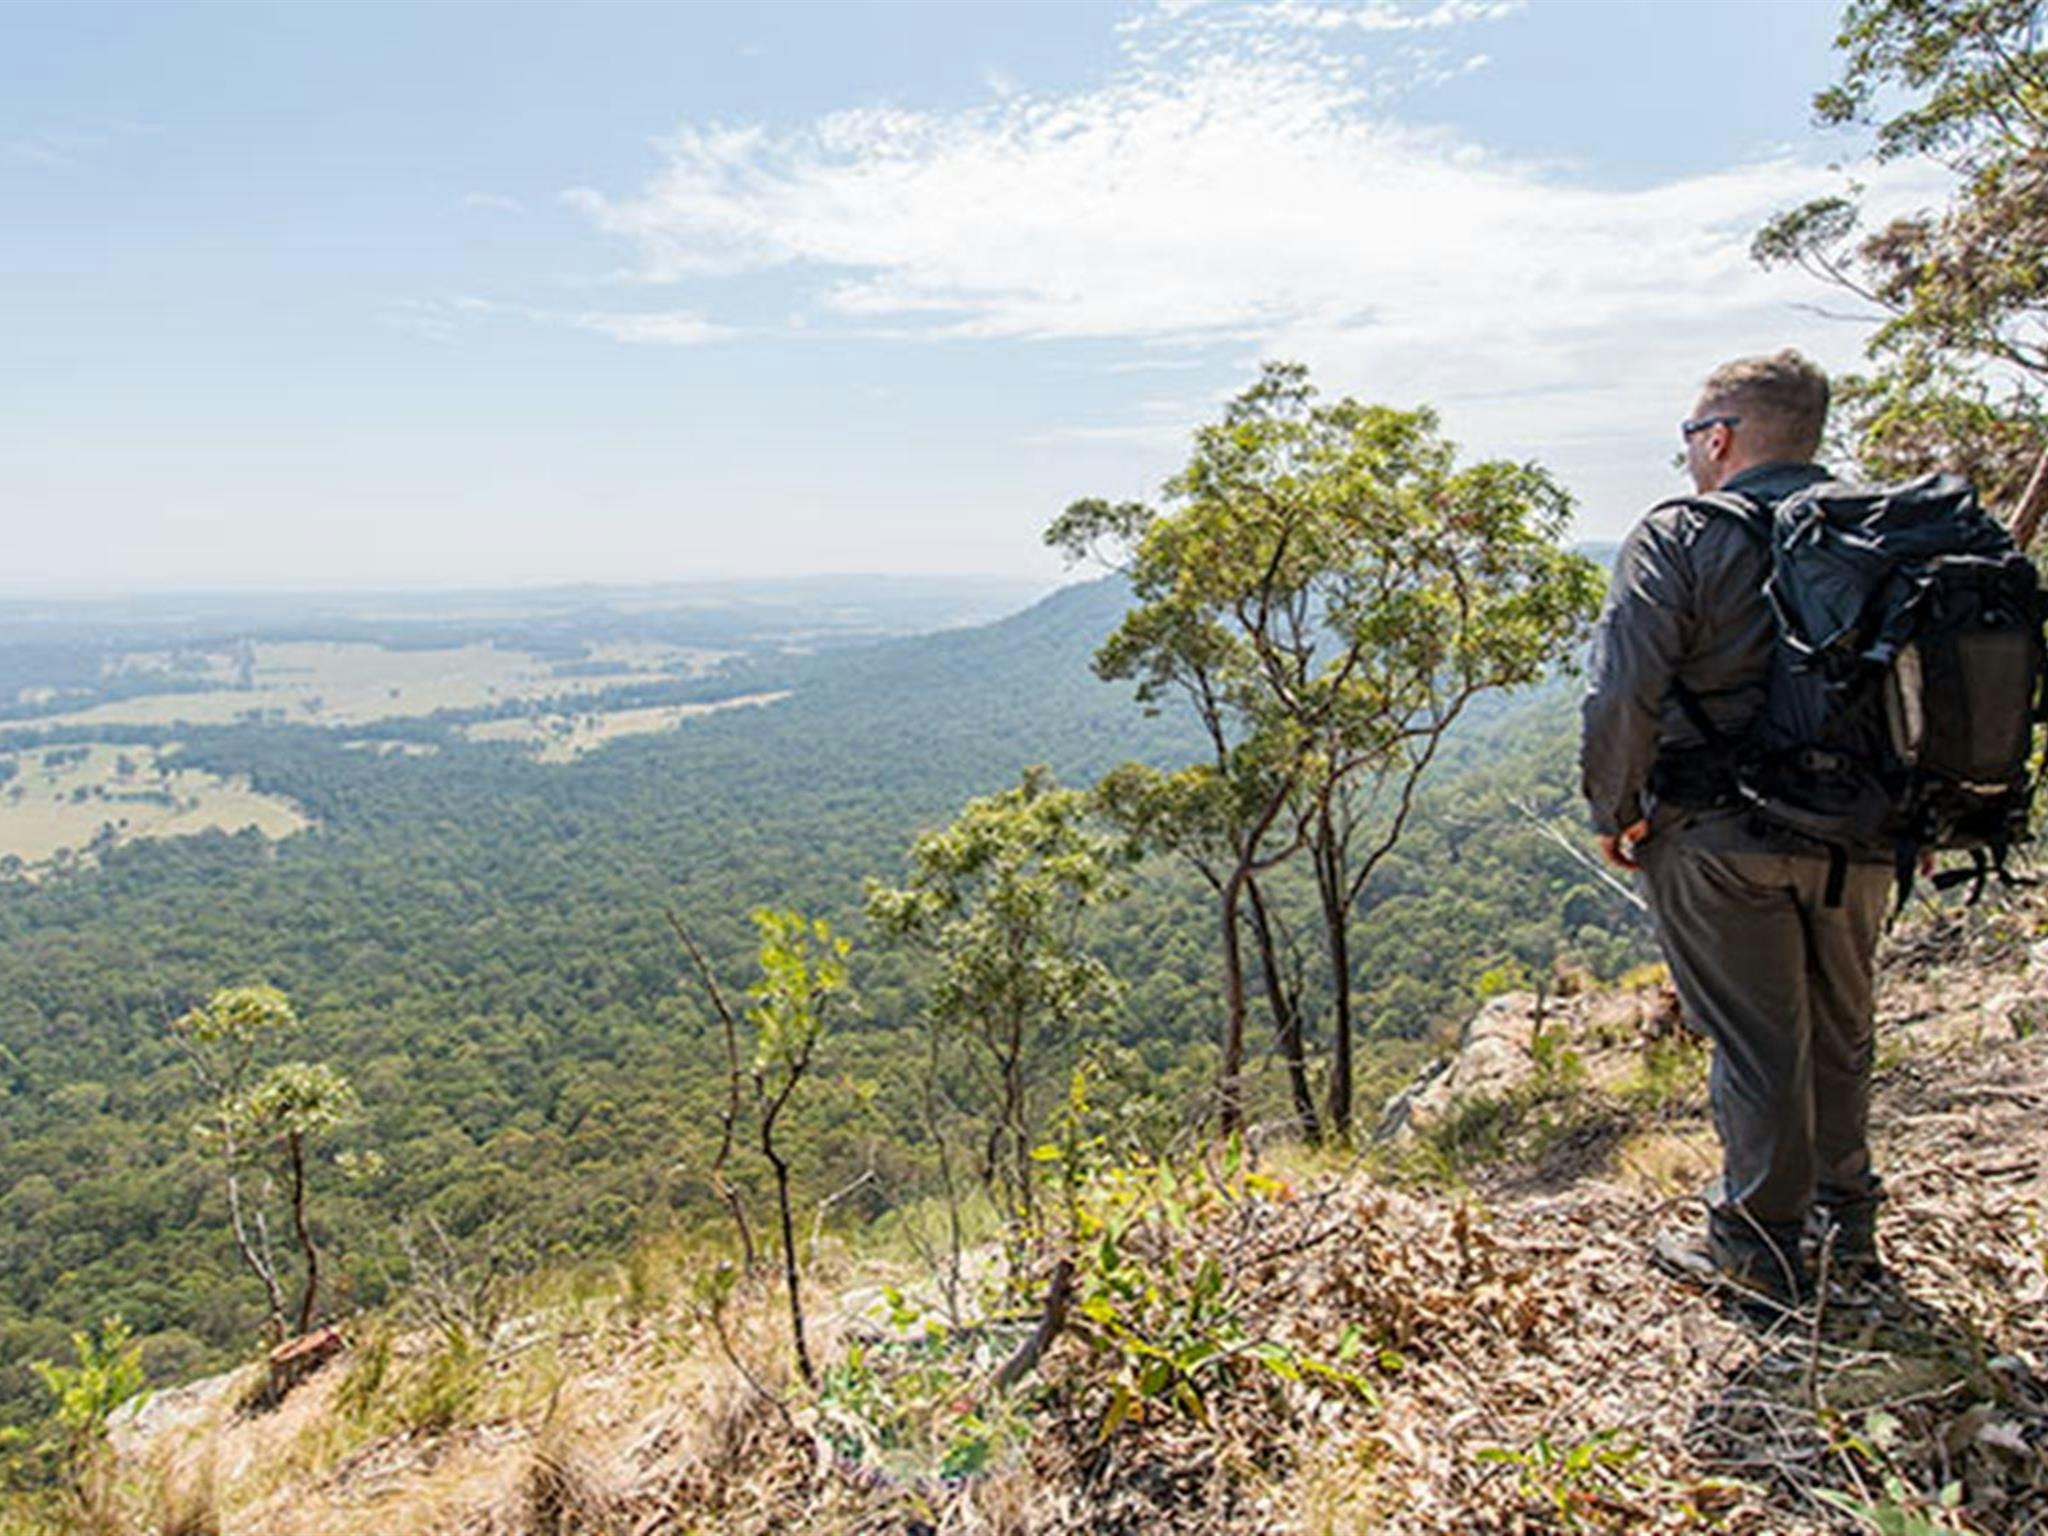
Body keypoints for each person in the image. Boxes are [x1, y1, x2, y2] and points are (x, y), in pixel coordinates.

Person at [1580, 349, 1890, 1311]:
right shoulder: (1879, 531)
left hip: (1718, 840)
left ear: (1717, 438)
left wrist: (1617, 810)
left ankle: (1759, 1251)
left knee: (1759, 1046)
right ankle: (1848, 1227)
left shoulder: (1679, 536)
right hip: (1865, 838)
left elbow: (1622, 692)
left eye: (1690, 436)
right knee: (1841, 1034)